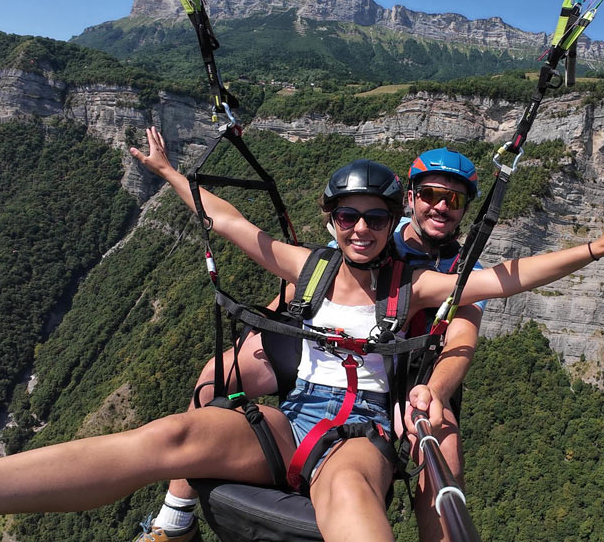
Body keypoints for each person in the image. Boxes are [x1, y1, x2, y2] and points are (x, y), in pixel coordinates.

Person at [0, 126, 604, 542]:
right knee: (171, 435)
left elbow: (502, 279)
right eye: (349, 217)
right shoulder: (308, 266)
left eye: (373, 218)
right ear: (334, 222)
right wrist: (170, 177)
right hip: (289, 416)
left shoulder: (417, 285)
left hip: (359, 433)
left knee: (345, 496)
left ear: (388, 221)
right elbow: (228, 221)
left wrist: (595, 249)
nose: (362, 229)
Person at [135, 148, 486, 542]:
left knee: (444, 450)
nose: (441, 207)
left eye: (453, 200)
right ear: (411, 197)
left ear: (465, 207)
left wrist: (434, 392)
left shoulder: (464, 272)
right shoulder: (371, 225)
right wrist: (262, 327)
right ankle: (175, 519)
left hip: (412, 375)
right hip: (332, 354)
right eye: (430, 195)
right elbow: (311, 278)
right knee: (217, 373)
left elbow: (461, 340)